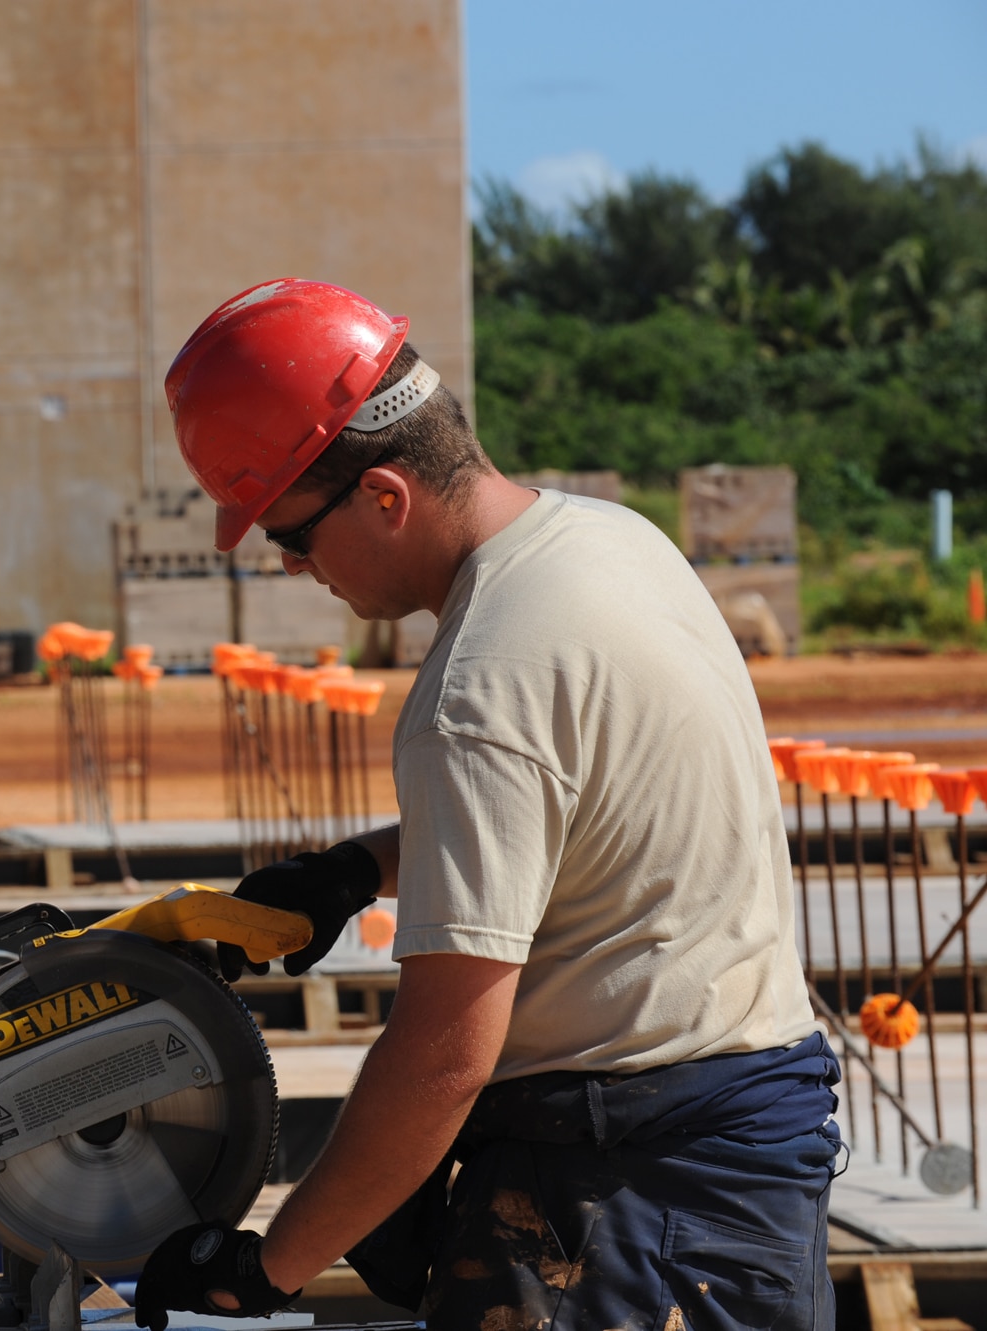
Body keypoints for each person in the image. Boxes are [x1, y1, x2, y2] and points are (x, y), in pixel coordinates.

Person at [131, 279, 838, 1331]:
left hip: (627, 1202)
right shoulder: (607, 543)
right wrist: (353, 871)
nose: (286, 564)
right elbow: (584, 810)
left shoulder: (475, 687)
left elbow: (441, 1056)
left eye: (290, 532)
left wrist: (267, 1264)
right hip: (733, 1151)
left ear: (383, 495)